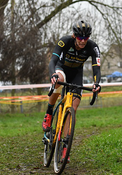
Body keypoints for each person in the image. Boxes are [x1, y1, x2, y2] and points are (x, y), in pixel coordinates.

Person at [42, 20, 101, 162]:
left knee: (73, 107)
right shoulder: (65, 41)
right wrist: (53, 75)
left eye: (86, 38)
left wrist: (96, 83)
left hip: (76, 74)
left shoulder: (93, 47)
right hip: (61, 69)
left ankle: (65, 147)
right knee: (58, 82)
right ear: (74, 36)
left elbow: (96, 68)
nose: (83, 41)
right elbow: (53, 61)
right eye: (80, 38)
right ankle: (49, 112)